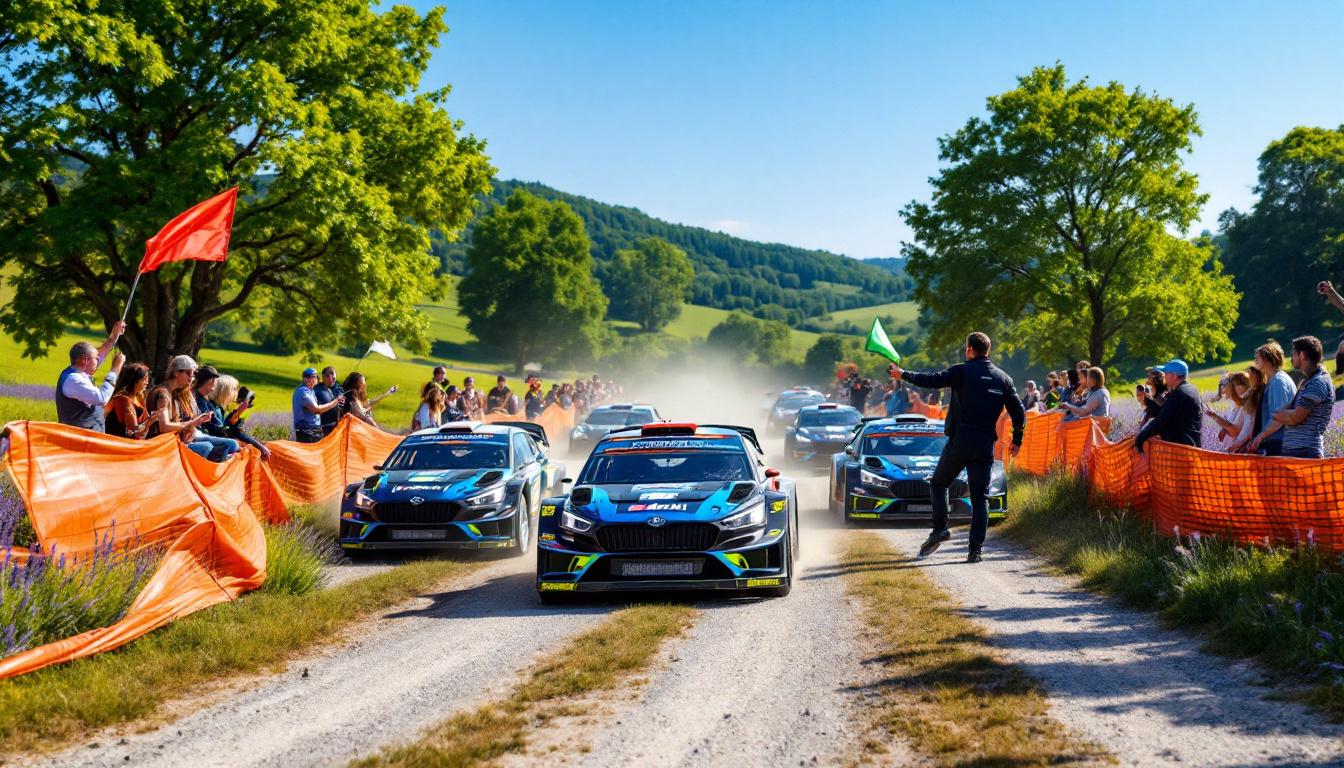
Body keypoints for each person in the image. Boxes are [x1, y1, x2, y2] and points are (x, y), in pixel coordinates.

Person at [889, 332, 1026, 564]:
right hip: (984, 445)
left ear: (970, 349)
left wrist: (903, 374)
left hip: (960, 442)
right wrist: (1017, 439)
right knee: (980, 498)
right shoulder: (1003, 378)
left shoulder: (961, 371)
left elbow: (931, 380)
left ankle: (941, 529)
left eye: (966, 348)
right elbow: (1019, 411)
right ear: (988, 350)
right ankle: (975, 551)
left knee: (938, 483)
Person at [55, 320, 127, 431]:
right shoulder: (74, 380)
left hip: (88, 434)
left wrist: (114, 335)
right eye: (96, 358)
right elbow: (102, 398)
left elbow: (102, 352)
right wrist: (115, 370)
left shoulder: (79, 370)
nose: (99, 360)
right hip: (80, 436)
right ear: (85, 360)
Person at [1273, 336, 1335, 459]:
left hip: (1306, 452)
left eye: (1293, 353)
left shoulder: (1318, 382)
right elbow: (1290, 409)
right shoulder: (1309, 381)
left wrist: (1276, 415)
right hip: (1298, 451)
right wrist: (1285, 414)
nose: (1291, 358)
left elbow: (1296, 417)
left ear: (1302, 355)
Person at [165, 356, 238, 461]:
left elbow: (195, 421)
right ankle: (219, 459)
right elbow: (166, 426)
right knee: (207, 446)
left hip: (191, 435)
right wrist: (192, 424)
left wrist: (199, 421)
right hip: (180, 439)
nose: (191, 378)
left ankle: (220, 457)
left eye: (193, 375)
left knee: (231, 444)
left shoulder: (187, 394)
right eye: (188, 373)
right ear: (176, 372)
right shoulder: (165, 394)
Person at [1134, 359, 1202, 454]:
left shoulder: (1179, 394)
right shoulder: (1192, 389)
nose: (1164, 376)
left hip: (1180, 450)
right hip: (1192, 446)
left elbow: (1160, 421)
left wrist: (1139, 439)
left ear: (1174, 375)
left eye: (1166, 374)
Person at [1247, 341, 1298, 456]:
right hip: (1275, 441)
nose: (1255, 361)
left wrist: (1260, 436)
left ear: (1266, 359)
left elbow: (1279, 417)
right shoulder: (1273, 381)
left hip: (1278, 442)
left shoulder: (1278, 382)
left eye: (1257, 358)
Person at [211, 375, 270, 459]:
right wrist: (258, 445)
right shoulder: (216, 410)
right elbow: (229, 433)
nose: (236, 394)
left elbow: (234, 431)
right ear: (224, 392)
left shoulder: (221, 409)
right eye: (234, 390)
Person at [1204, 370, 1257, 454]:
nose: (1222, 388)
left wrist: (1214, 416)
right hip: (1233, 452)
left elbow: (1234, 431)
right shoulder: (1235, 407)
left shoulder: (1245, 407)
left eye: (1225, 384)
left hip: (1238, 453)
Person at [292, 367, 343, 444]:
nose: (317, 380)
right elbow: (316, 410)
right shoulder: (304, 391)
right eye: (315, 377)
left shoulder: (309, 390)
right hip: (308, 433)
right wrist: (335, 402)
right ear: (311, 379)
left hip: (312, 431)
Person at [105, 362, 152, 439]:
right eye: (144, 379)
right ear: (135, 381)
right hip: (118, 441)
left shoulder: (139, 396)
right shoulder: (123, 399)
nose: (147, 382)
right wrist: (150, 422)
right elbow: (136, 431)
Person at [314, 366, 344, 437]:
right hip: (322, 428)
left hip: (337, 426)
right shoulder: (316, 390)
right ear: (323, 377)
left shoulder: (339, 388)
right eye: (327, 375)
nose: (330, 377)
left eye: (332, 374)